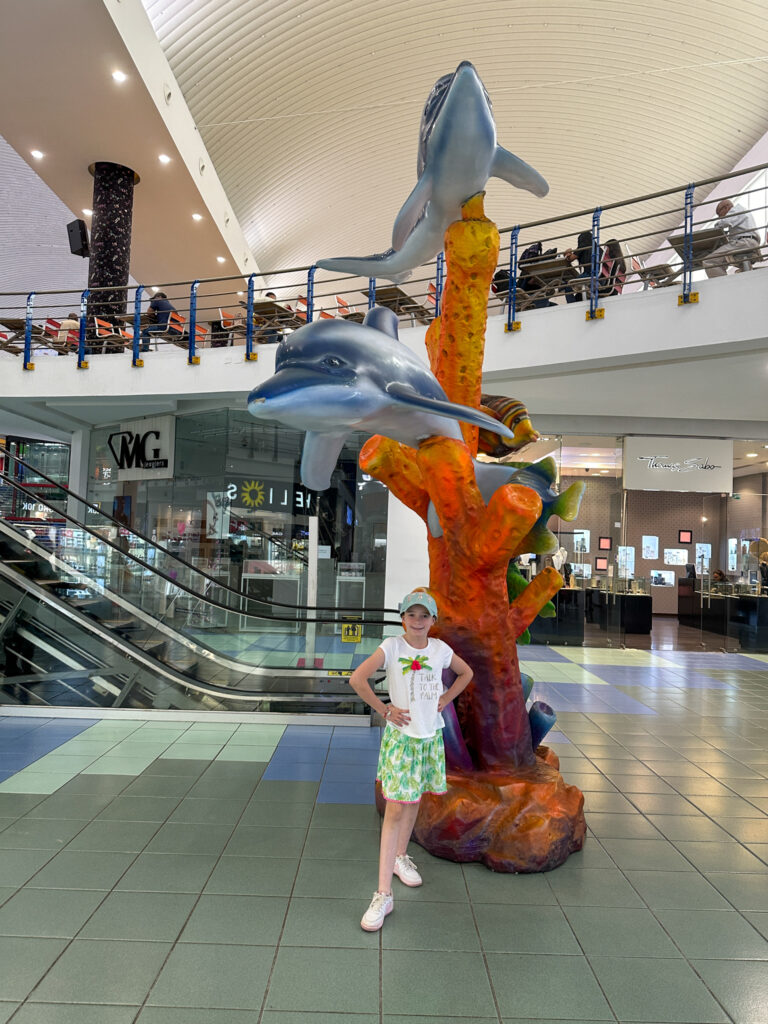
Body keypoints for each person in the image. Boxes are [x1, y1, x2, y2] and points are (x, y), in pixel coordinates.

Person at [348, 590, 473, 932]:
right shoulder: (392, 647)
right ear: (402, 617)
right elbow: (357, 679)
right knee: (395, 810)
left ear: (434, 621)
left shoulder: (440, 650)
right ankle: (383, 893)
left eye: (424, 615)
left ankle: (400, 857)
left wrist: (446, 699)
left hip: (428, 738)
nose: (417, 621)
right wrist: (385, 709)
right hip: (402, 741)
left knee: (414, 799)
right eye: (411, 614)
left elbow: (466, 674)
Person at [703, 199, 761, 278]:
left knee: (710, 261)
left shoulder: (737, 209)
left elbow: (724, 223)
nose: (720, 217)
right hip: (749, 242)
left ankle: (722, 286)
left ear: (726, 208)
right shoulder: (741, 213)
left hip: (744, 242)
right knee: (721, 260)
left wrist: (716, 226)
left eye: (719, 214)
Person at [563, 229, 594, 303]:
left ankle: (571, 305)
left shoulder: (583, 246)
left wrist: (567, 254)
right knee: (578, 295)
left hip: (589, 274)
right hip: (598, 275)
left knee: (567, 286)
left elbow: (570, 259)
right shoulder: (596, 247)